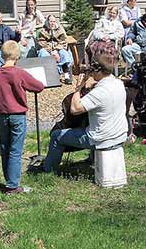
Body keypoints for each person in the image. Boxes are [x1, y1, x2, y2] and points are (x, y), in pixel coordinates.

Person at [37, 40, 127, 174]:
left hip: (101, 138)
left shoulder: (100, 92)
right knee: (94, 121)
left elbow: (75, 109)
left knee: (56, 136)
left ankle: (48, 170)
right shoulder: (118, 83)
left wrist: (78, 88)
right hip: (120, 134)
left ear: (97, 70)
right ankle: (92, 159)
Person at [0, 40, 44, 194]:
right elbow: (39, 86)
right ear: (17, 55)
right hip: (18, 116)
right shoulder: (19, 73)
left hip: (3, 116)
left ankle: (9, 180)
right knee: (15, 150)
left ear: (3, 55)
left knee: (5, 148)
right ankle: (13, 186)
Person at [37, 15, 74, 84]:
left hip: (58, 48)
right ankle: (49, 76)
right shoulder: (43, 30)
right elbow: (42, 42)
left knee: (64, 53)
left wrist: (56, 50)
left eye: (54, 21)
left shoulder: (60, 29)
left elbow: (63, 41)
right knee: (42, 53)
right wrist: (51, 51)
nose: (52, 23)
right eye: (51, 21)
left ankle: (66, 76)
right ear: (47, 22)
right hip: (48, 49)